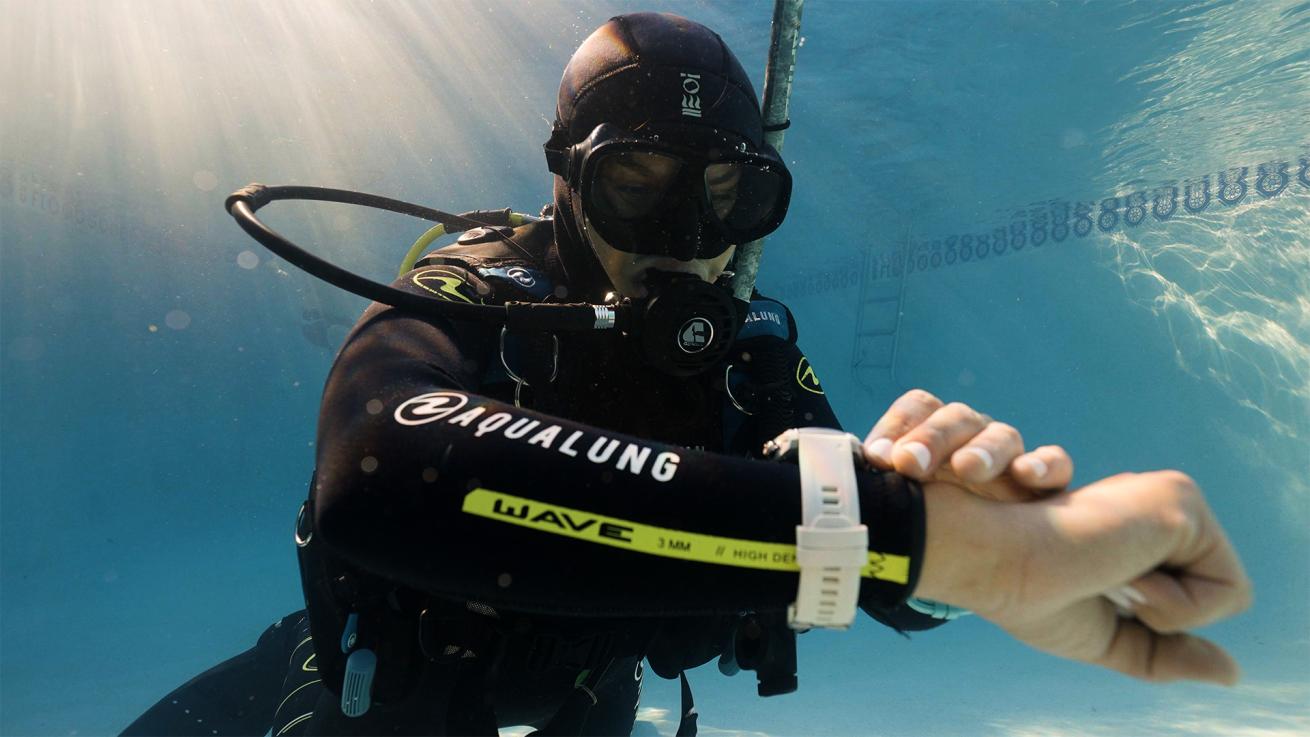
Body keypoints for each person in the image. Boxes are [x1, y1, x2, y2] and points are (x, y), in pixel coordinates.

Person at [122, 12, 1250, 737]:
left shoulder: (752, 343)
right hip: (381, 682)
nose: (684, 237)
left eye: (726, 198)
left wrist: (966, 546)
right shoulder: (474, 290)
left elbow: (871, 566)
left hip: (586, 695)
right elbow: (380, 471)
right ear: (566, 180)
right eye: (638, 185)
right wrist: (909, 535)